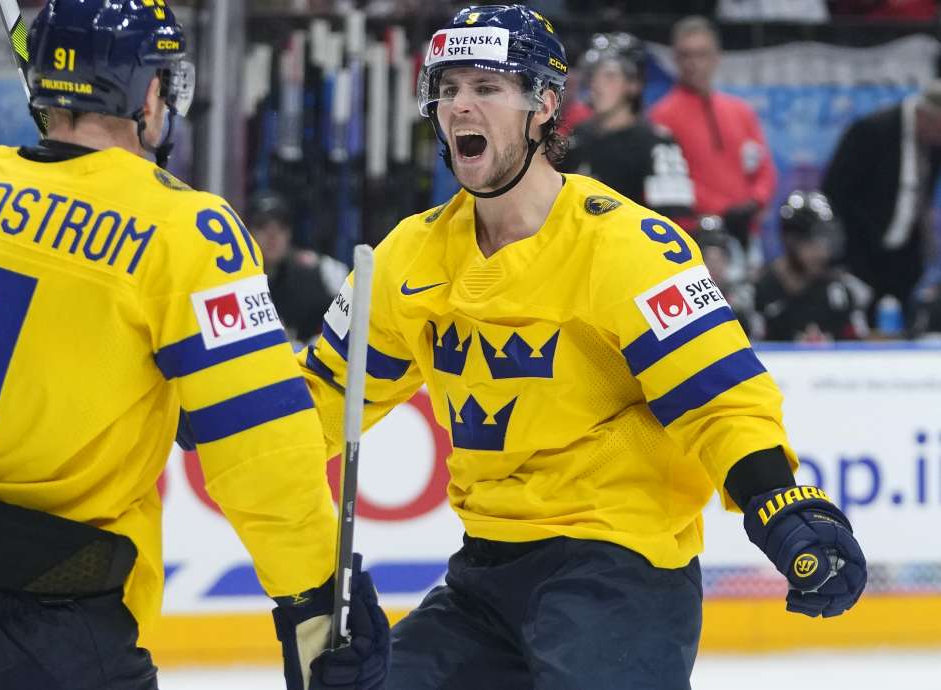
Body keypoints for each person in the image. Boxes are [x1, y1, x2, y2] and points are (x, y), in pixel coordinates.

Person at [0, 2, 387, 689]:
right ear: (149, 93)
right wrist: (317, 606)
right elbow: (263, 451)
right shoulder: (186, 230)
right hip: (49, 628)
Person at [297, 6, 866, 688]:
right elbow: (320, 401)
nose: (460, 106)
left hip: (619, 569)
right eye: (449, 88)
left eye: (486, 87)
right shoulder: (404, 258)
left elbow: (718, 397)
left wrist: (776, 499)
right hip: (484, 577)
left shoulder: (624, 245)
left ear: (543, 104)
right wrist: (221, 412)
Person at [822, 80, 941, 327]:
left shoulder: (933, 142)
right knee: (859, 327)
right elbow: (834, 190)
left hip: (906, 254)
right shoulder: (872, 130)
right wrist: (846, 251)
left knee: (906, 329)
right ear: (925, 115)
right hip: (862, 252)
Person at [650, 16, 776, 247]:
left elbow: (764, 168)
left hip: (746, 232)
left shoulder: (741, 111)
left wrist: (755, 202)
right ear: (675, 59)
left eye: (702, 54)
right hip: (694, 235)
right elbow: (672, 179)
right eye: (686, 55)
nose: (694, 64)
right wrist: (725, 210)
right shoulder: (662, 116)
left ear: (717, 57)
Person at [560, 32, 694, 220]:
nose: (596, 85)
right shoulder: (577, 136)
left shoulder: (656, 143)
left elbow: (673, 220)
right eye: (593, 75)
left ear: (634, 84)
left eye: (610, 76)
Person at [754, 190, 870, 342]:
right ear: (791, 241)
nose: (822, 253)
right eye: (814, 242)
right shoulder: (761, 292)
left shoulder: (840, 292)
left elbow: (860, 349)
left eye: (826, 243)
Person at [249, 190, 348, 348]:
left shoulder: (309, 278)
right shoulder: (234, 282)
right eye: (262, 224)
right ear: (247, 231)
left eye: (281, 226)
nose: (272, 235)